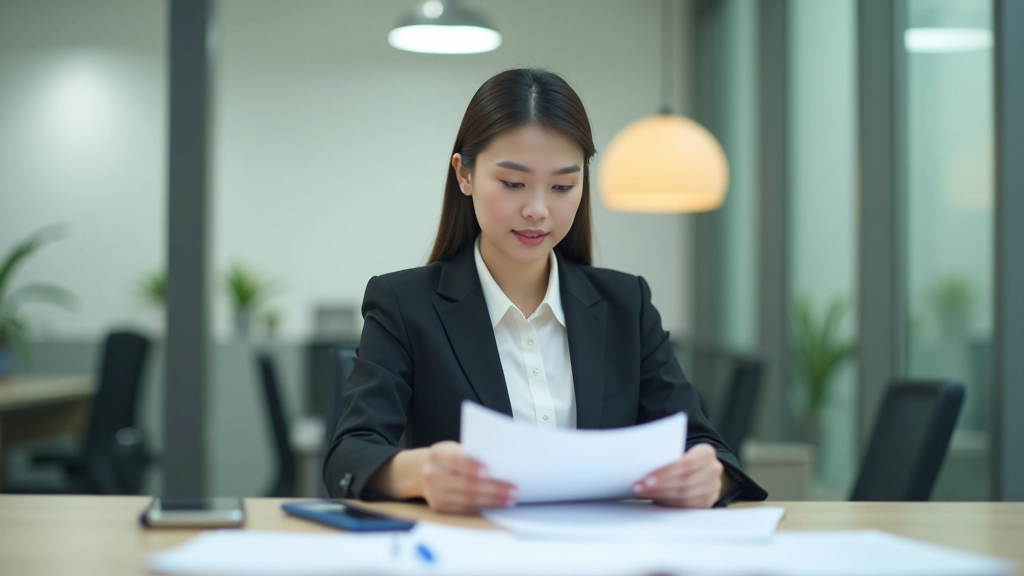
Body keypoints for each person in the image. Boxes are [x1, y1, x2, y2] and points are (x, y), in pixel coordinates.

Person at [323, 68, 767, 514]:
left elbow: (705, 446)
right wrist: (420, 472)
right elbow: (350, 454)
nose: (537, 209)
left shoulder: (625, 304)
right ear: (465, 175)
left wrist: (706, 478)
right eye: (513, 183)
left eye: (562, 186)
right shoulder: (404, 304)